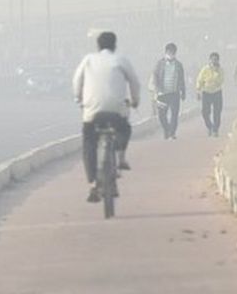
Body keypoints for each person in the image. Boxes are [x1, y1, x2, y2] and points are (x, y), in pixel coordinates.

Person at [73, 31, 141, 203]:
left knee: (89, 143)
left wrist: (78, 98)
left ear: (98, 46)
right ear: (114, 45)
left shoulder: (88, 59)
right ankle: (119, 154)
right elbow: (134, 82)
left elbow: (77, 80)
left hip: (92, 113)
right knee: (124, 128)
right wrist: (135, 101)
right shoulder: (121, 60)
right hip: (117, 111)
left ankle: (93, 182)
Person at [149, 43, 186, 140]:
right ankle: (167, 129)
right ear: (166, 52)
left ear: (175, 53)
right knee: (162, 115)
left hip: (174, 93)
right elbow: (155, 76)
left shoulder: (178, 65)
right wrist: (156, 89)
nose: (171, 53)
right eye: (169, 52)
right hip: (162, 94)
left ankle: (172, 133)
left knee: (174, 114)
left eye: (173, 52)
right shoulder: (160, 64)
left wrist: (183, 91)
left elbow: (182, 79)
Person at [196, 52, 225, 137]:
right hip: (206, 93)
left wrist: (216, 71)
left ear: (218, 60)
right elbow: (200, 80)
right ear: (210, 60)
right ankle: (210, 126)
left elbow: (220, 81)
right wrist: (198, 90)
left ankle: (215, 130)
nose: (214, 61)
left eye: (216, 59)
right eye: (212, 59)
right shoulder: (205, 69)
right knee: (205, 112)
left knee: (217, 112)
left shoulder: (220, 70)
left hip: (217, 92)